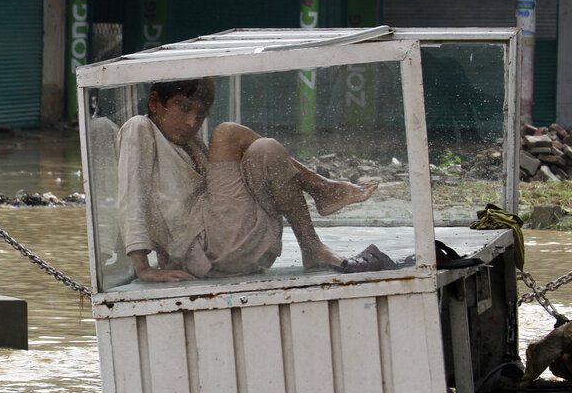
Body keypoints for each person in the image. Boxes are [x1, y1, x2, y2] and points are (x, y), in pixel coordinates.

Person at [116, 78, 378, 283]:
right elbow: (131, 196)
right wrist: (142, 268)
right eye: (183, 108)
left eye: (200, 114)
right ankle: (322, 188)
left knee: (266, 148)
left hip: (238, 247)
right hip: (203, 251)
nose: (191, 122)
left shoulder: (190, 143)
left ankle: (311, 246)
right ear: (154, 103)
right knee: (228, 132)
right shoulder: (139, 127)